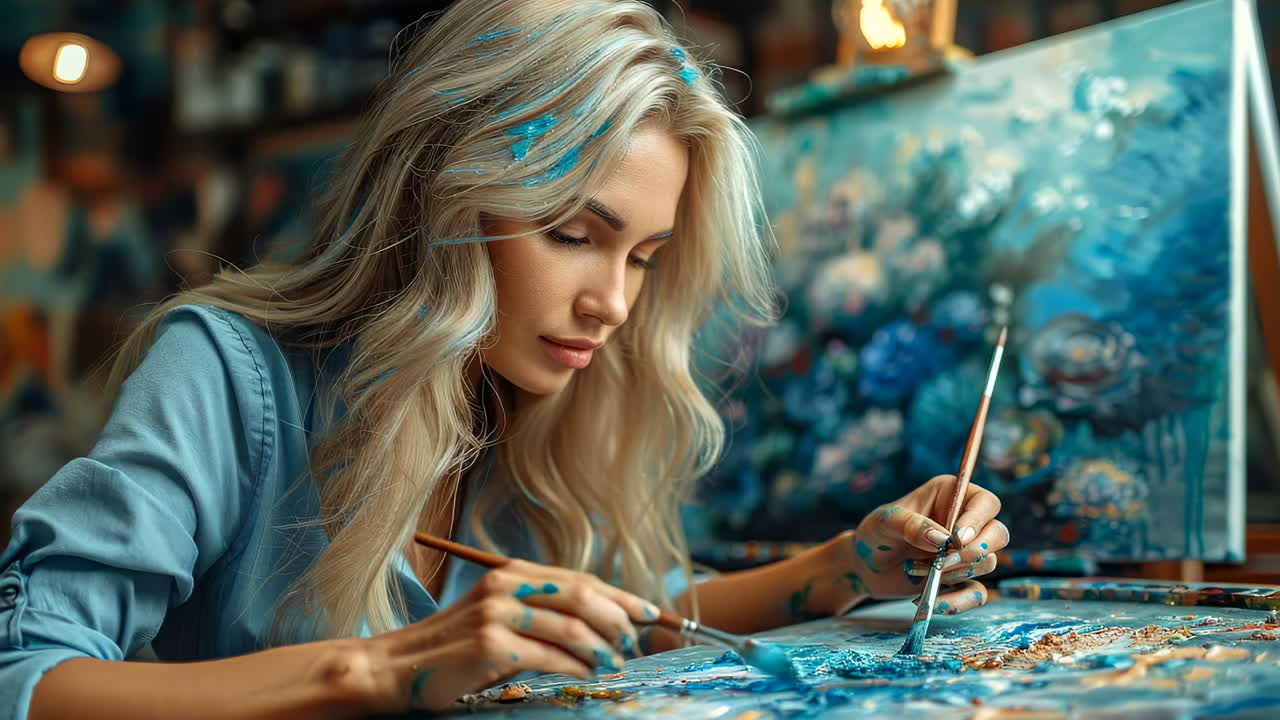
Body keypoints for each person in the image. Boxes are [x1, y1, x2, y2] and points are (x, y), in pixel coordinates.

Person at [0, 1, 1009, 718]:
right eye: (572, 234)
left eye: (644, 258)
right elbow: (28, 676)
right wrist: (378, 670)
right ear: (439, 195)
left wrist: (849, 565)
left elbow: (645, 614)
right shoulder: (227, 371)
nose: (613, 304)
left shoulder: (529, 394)